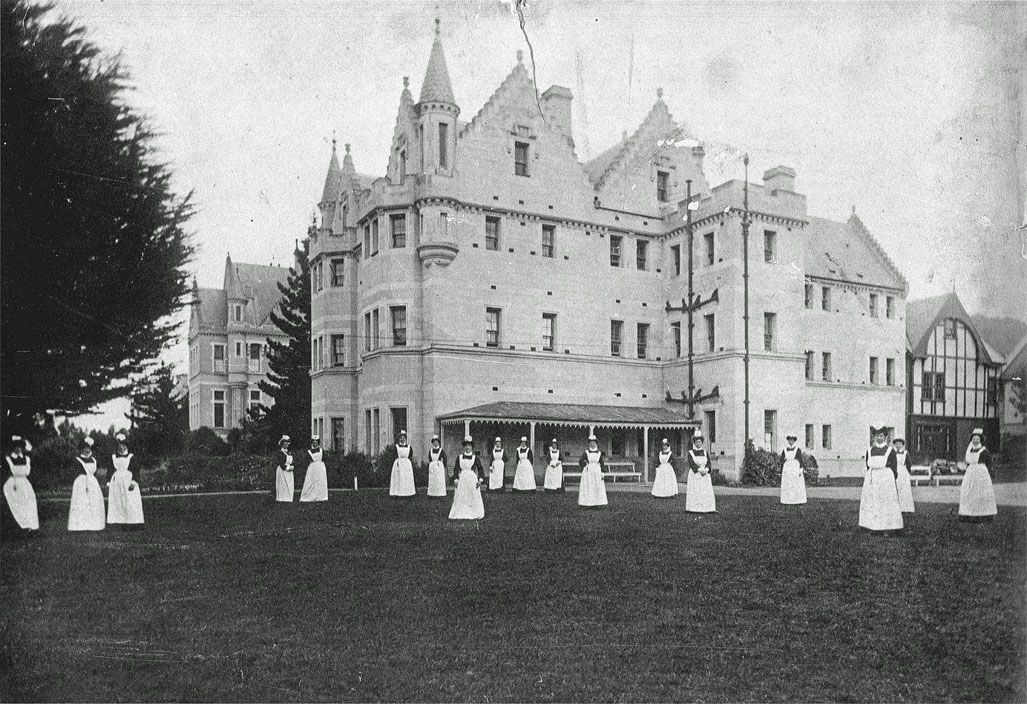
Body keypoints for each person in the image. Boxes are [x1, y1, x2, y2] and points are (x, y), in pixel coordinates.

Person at [858, 427, 903, 533]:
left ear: (885, 437)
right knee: (872, 501)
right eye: (877, 436)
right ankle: (871, 526)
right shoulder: (869, 451)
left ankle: (886, 528)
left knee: (885, 502)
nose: (879, 438)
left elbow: (894, 468)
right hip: (872, 479)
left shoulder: (890, 451)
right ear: (874, 437)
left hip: (885, 479)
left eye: (881, 436)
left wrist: (890, 479)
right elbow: (868, 466)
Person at [107, 432, 144, 528]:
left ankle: (133, 522)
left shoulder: (131, 457)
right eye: (119, 446)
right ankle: (118, 522)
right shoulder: (114, 457)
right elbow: (110, 470)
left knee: (130, 500)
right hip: (117, 482)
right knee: (118, 501)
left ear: (126, 446)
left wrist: (134, 482)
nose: (121, 448)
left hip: (128, 481)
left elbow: (136, 471)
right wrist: (108, 482)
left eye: (123, 445)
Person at [958, 428, 997, 522]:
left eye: (977, 439)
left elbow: (989, 462)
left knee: (981, 493)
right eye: (974, 439)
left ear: (980, 440)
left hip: (981, 473)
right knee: (968, 492)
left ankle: (984, 515)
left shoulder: (984, 450)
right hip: (970, 472)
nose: (975, 441)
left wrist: (991, 472)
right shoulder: (969, 450)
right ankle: (967, 514)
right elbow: (967, 462)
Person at [3, 436, 39, 535]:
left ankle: (30, 527)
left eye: (20, 447)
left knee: (29, 502)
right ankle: (19, 527)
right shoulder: (8, 459)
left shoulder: (26, 459)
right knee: (16, 503)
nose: (18, 449)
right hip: (13, 483)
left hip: (24, 483)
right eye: (16, 447)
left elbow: (28, 472)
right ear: (12, 448)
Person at [68, 437, 106, 531]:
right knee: (82, 502)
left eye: (88, 448)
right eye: (85, 448)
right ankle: (80, 525)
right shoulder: (77, 459)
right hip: (81, 482)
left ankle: (94, 524)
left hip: (92, 482)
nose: (87, 450)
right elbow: (74, 472)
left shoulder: (93, 459)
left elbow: (94, 472)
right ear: (81, 449)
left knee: (94, 501)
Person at [449, 436, 485, 520]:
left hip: (472, 478)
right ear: (464, 447)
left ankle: (474, 512)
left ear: (472, 447)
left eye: (469, 446)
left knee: (473, 495)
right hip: (462, 478)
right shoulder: (459, 457)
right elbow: (456, 468)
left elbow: (480, 469)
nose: (467, 447)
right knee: (462, 495)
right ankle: (461, 512)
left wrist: (480, 480)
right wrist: (455, 479)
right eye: (466, 446)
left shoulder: (475, 458)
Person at [685, 430, 716, 513]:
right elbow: (691, 463)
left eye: (699, 442)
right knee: (695, 491)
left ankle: (708, 508)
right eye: (696, 442)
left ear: (702, 442)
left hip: (704, 475)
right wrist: (699, 470)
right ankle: (694, 508)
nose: (698, 444)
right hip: (695, 475)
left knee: (705, 491)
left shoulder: (705, 452)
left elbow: (709, 463)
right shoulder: (691, 453)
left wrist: (706, 469)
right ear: (694, 443)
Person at [577, 435, 608, 508]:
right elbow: (581, 461)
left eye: (593, 443)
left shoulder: (599, 453)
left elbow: (602, 463)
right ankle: (588, 503)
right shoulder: (586, 452)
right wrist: (584, 465)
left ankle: (596, 503)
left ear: (596, 444)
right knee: (588, 486)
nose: (592, 444)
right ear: (589, 444)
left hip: (597, 471)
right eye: (591, 443)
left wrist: (603, 472)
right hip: (589, 471)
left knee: (596, 486)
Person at [779, 434, 807, 505]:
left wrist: (801, 469)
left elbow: (800, 460)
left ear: (794, 441)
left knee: (795, 483)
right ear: (788, 441)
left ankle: (796, 499)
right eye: (789, 440)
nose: (791, 441)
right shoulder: (785, 450)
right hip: (787, 468)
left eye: (792, 440)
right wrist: (784, 459)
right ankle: (787, 500)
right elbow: (781, 460)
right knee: (788, 483)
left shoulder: (798, 450)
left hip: (795, 468)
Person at [300, 435, 328, 502]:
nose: (315, 443)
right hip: (313, 468)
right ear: (312, 443)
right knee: (312, 481)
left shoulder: (322, 451)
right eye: (313, 442)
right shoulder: (309, 451)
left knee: (321, 481)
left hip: (321, 467)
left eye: (316, 442)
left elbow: (325, 459)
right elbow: (307, 460)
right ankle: (310, 496)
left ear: (318, 443)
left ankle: (321, 496)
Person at [389, 430, 415, 498]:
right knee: (399, 478)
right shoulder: (396, 447)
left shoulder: (409, 447)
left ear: (405, 439)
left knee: (407, 478)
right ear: (398, 439)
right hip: (399, 463)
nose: (402, 439)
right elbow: (394, 455)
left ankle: (408, 493)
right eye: (401, 438)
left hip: (407, 464)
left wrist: (408, 462)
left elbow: (410, 456)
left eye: (403, 438)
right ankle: (398, 493)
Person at [892, 437, 914, 514]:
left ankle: (905, 507)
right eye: (896, 444)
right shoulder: (892, 452)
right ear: (894, 445)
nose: (898, 445)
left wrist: (908, 471)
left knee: (904, 490)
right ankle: (895, 507)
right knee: (895, 488)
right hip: (894, 470)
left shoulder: (905, 453)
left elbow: (909, 463)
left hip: (903, 472)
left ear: (902, 445)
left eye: (900, 444)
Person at [274, 435, 295, 503]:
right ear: (281, 445)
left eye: (287, 444)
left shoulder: (289, 453)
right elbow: (280, 462)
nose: (286, 446)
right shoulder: (280, 452)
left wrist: (292, 466)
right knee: (282, 485)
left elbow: (292, 461)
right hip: (282, 470)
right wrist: (286, 467)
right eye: (284, 444)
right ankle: (282, 498)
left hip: (289, 471)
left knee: (289, 484)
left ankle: (289, 498)